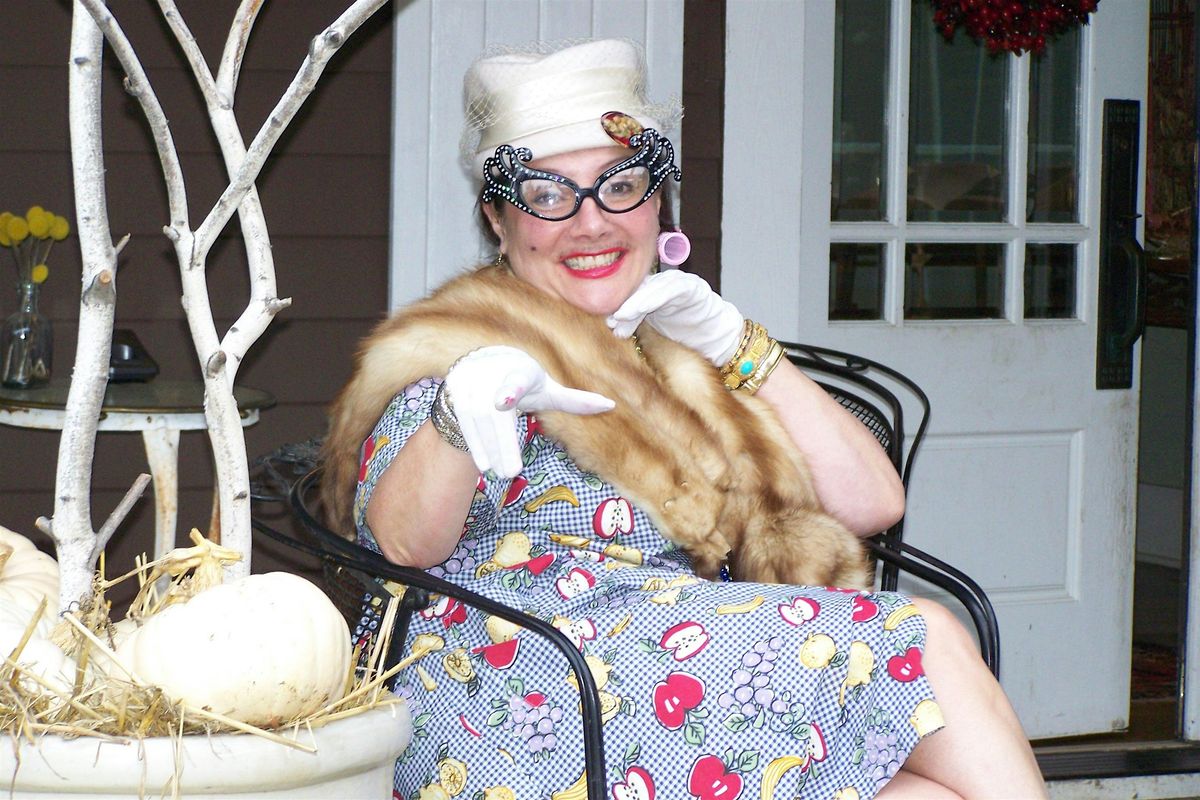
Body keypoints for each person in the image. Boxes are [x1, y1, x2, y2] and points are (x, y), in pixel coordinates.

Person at [322, 38, 1046, 800]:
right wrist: (459, 414)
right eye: (548, 195)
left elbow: (874, 502)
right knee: (927, 641)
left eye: (620, 185)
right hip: (518, 700)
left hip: (668, 667)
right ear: (498, 222)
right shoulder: (463, 342)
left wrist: (738, 345)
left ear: (657, 202)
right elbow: (400, 541)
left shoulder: (671, 349)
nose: (591, 223)